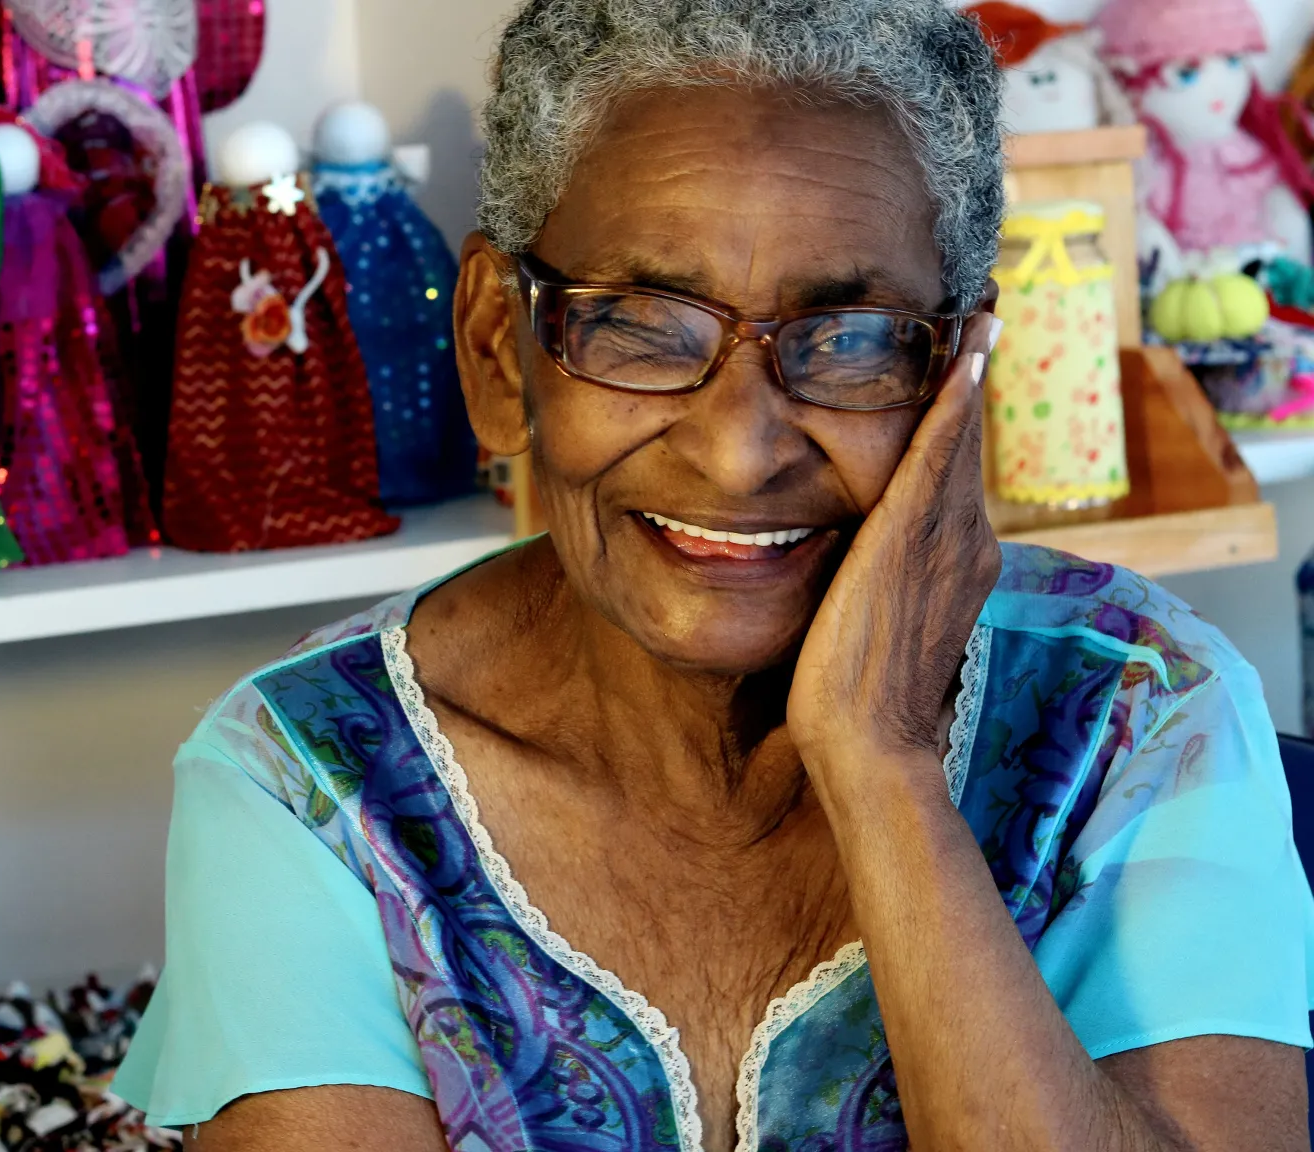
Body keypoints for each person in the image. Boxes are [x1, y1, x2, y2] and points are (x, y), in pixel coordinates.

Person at [111, 1, 1314, 1148]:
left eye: (850, 340)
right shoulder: (312, 782)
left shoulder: (1141, 712)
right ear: (496, 348)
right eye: (639, 321)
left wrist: (881, 763)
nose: (740, 451)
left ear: (961, 376)